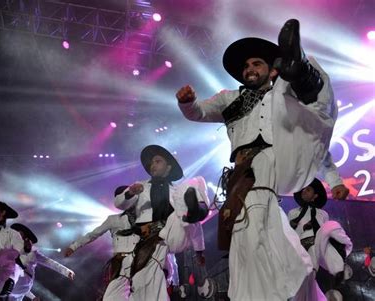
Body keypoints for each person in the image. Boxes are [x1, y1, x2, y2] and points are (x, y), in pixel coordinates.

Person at [176, 19, 338, 300]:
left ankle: (299, 65)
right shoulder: (230, 99)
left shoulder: (283, 96)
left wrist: (333, 180)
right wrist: (187, 102)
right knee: (257, 256)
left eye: (256, 64)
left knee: (293, 262)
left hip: (272, 170)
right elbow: (198, 113)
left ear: (272, 69)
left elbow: (312, 138)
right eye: (246, 66)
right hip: (243, 177)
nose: (249, 69)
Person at [114, 144, 210, 301]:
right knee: (146, 284)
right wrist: (130, 192)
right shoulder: (141, 186)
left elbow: (195, 226)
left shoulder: (178, 192)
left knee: (193, 186)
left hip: (172, 234)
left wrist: (199, 250)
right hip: (148, 238)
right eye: (151, 163)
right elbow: (119, 203)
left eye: (157, 161)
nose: (153, 165)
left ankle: (196, 211)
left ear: (169, 167)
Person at [64, 185, 140, 301]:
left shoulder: (146, 217)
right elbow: (92, 234)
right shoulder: (113, 219)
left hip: (142, 261)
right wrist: (74, 246)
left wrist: (173, 276)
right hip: (121, 262)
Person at [289, 179, 352, 301]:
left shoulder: (322, 213)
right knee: (305, 279)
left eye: (308, 189)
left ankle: (338, 264)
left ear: (315, 196)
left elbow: (325, 231)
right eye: (303, 189)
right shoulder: (293, 213)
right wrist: (302, 228)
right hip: (299, 247)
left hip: (316, 244)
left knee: (331, 226)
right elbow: (290, 232)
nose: (304, 191)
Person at [8, 223, 75, 301]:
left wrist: (66, 271)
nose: (18, 236)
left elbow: (48, 262)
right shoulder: (8, 247)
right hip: (10, 284)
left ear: (26, 238)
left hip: (21, 287)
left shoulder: (33, 252)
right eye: (16, 234)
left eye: (20, 235)